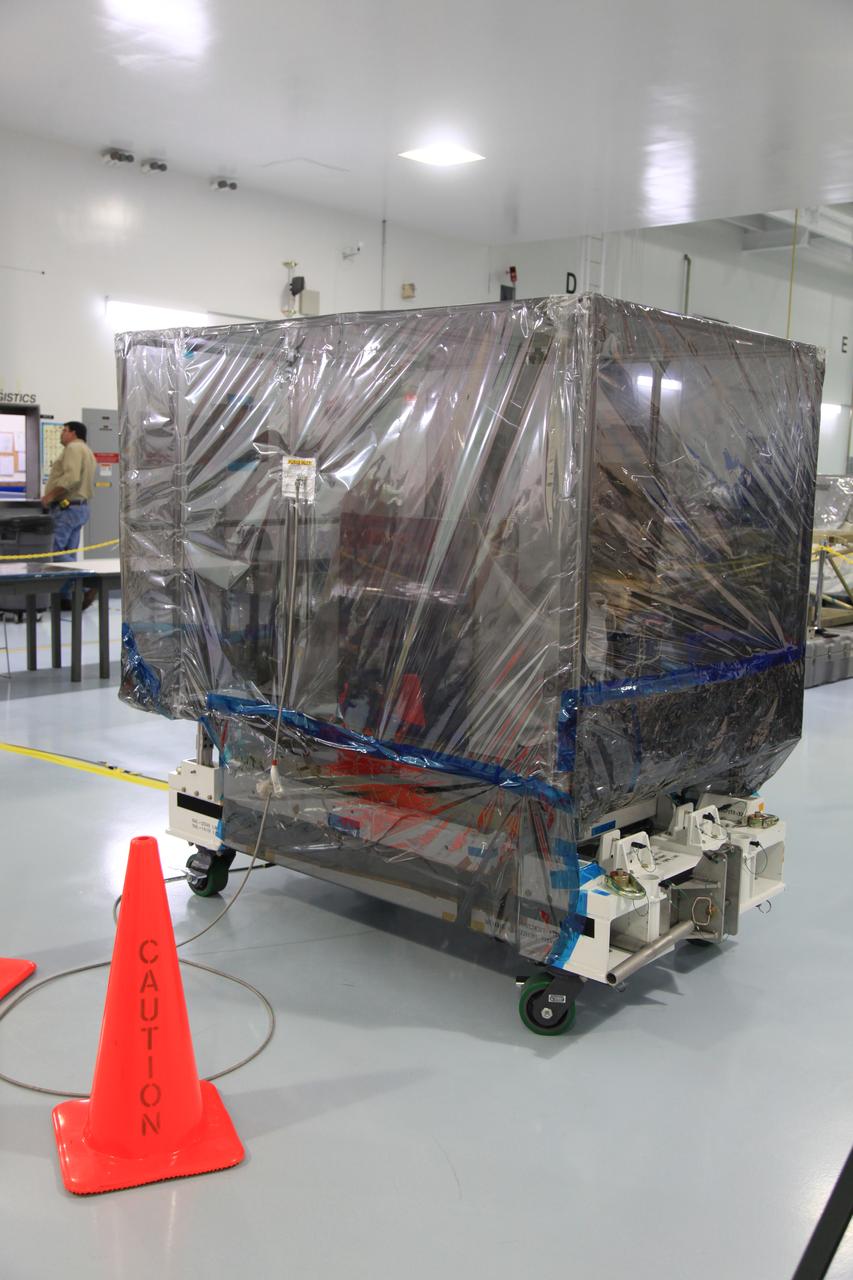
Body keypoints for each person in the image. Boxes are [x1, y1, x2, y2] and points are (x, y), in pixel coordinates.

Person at [41, 420, 97, 609]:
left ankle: (89, 582)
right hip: (79, 507)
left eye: (64, 430)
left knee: (55, 552)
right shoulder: (87, 451)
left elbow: (70, 478)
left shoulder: (73, 448)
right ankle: (68, 599)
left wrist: (49, 496)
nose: (61, 434)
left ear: (73, 433)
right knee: (68, 553)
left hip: (67, 508)